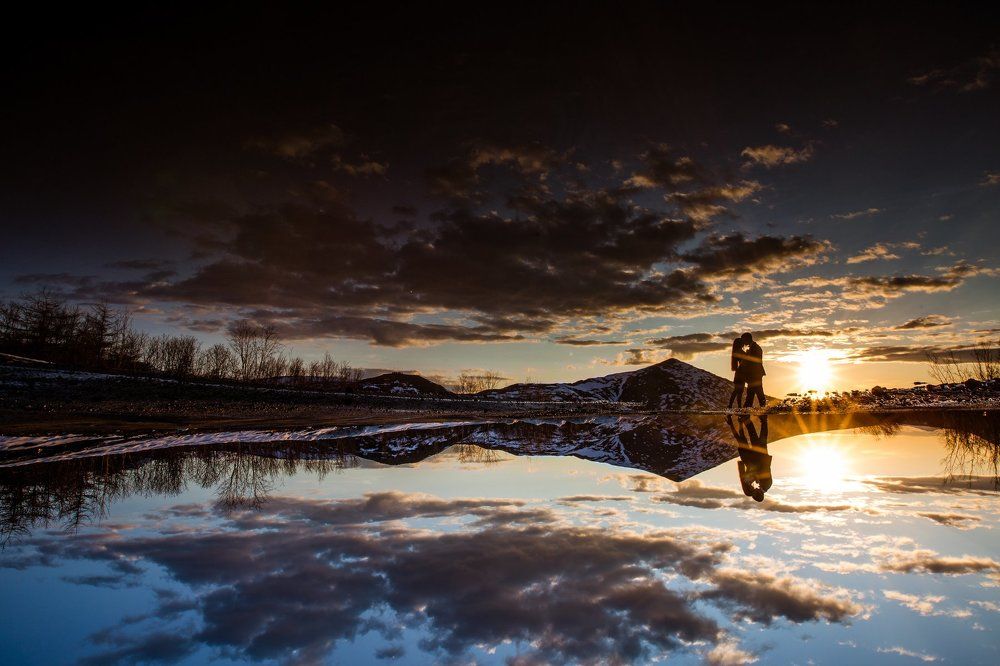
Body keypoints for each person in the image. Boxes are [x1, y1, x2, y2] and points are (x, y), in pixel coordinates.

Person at [727, 414, 771, 502]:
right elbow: (764, 469)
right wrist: (754, 476)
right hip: (761, 456)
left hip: (757, 457)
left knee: (754, 436)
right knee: (761, 438)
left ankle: (748, 419)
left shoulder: (762, 485)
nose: (754, 490)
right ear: (759, 493)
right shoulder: (766, 484)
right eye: (755, 492)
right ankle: (762, 419)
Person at [739, 332, 766, 409]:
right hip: (755, 374)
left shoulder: (755, 348)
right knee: (753, 392)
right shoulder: (754, 347)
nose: (742, 341)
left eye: (743, 339)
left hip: (755, 374)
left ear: (747, 339)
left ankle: (748, 408)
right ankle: (748, 408)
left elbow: (752, 361)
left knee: (756, 392)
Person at [727, 336, 747, 409]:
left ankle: (733, 406)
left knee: (738, 391)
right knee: (738, 391)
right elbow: (744, 361)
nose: (743, 344)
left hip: (739, 373)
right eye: (742, 343)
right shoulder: (740, 352)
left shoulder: (737, 351)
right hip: (741, 373)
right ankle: (734, 406)